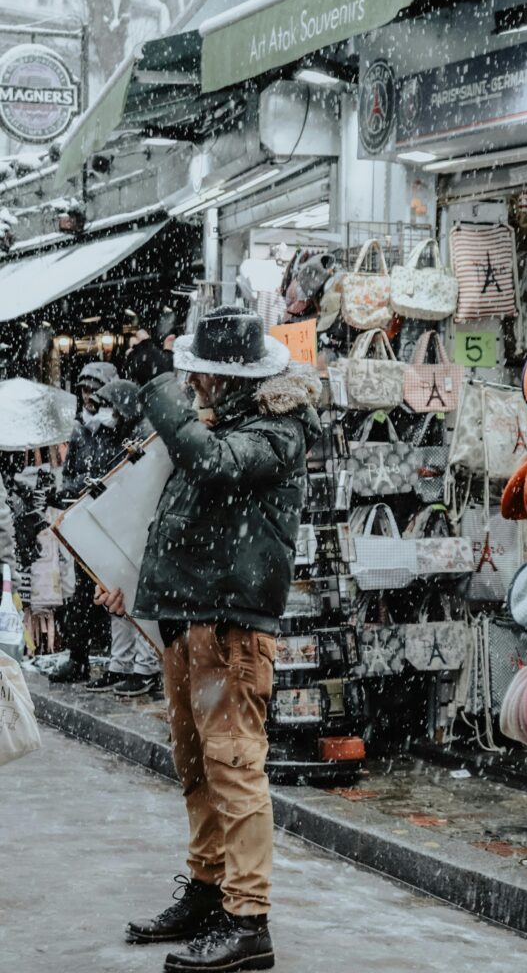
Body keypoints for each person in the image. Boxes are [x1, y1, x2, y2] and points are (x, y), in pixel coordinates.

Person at [96, 306, 321, 973]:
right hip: (187, 619)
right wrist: (124, 577)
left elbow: (216, 465)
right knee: (195, 765)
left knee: (233, 768)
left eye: (197, 373)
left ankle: (248, 921)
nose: (189, 382)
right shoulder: (214, 422)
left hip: (231, 626)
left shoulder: (276, 430)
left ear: (228, 378)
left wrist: (159, 390)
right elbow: (160, 505)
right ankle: (207, 887)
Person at [82, 379, 162, 698]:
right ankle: (123, 663)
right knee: (119, 597)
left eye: (112, 407)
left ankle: (144, 666)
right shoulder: (122, 431)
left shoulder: (142, 431)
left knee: (135, 596)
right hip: (125, 522)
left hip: (138, 523)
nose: (107, 414)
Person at [51, 360, 119, 683]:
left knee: (111, 590)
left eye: (93, 389)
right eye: (83, 389)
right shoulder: (79, 429)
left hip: (111, 520)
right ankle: (79, 658)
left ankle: (118, 660)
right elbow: (71, 476)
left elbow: (121, 473)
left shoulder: (119, 427)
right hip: (84, 519)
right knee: (81, 591)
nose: (87, 395)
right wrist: (72, 488)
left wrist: (100, 482)